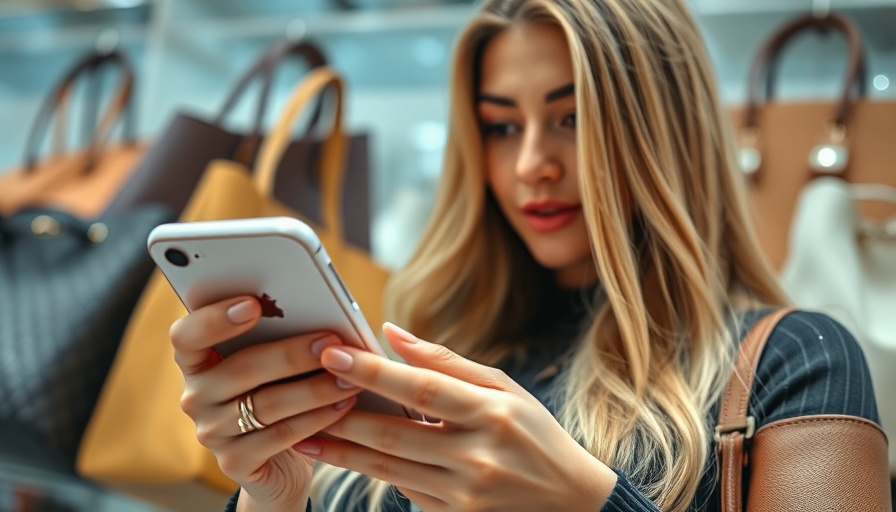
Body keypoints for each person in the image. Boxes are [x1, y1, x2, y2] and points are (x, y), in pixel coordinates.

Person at [169, 0, 885, 511]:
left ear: (663, 131)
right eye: (502, 126)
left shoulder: (797, 360)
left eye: (572, 118)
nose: (532, 164)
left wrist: (588, 506)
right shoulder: (429, 357)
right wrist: (277, 498)